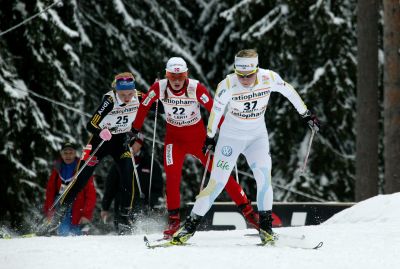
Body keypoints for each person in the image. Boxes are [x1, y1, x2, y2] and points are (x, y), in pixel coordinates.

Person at [171, 49, 320, 245]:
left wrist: (306, 114)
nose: (245, 80)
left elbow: (289, 91)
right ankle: (188, 229)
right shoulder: (227, 85)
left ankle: (266, 229)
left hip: (257, 137)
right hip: (230, 138)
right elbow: (216, 112)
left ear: (256, 70)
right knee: (216, 184)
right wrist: (209, 137)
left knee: (264, 178)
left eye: (249, 75)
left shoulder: (269, 78)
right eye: (241, 75)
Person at [131, 57, 260, 239]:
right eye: (172, 76)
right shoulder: (159, 87)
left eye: (180, 76)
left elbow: (213, 109)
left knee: (221, 173)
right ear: (167, 75)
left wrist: (227, 133)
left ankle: (250, 214)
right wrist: (134, 130)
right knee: (172, 177)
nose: (176, 81)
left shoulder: (195, 87)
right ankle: (174, 220)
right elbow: (144, 106)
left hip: (198, 139)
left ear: (186, 75)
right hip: (173, 141)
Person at [40, 72, 144, 235]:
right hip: (100, 142)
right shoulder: (110, 100)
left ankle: (124, 218)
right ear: (116, 91)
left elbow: (155, 104)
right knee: (81, 179)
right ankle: (58, 216)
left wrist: (157, 92)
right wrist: (101, 131)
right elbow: (91, 124)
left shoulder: (138, 96)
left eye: (130, 94)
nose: (127, 98)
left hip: (121, 143)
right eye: (123, 94)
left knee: (127, 174)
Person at [101, 143, 163, 233]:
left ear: (140, 144)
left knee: (141, 235)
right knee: (123, 238)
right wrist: (105, 207)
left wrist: (153, 204)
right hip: (121, 208)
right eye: (129, 144)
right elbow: (110, 187)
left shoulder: (151, 163)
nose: (130, 146)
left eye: (134, 143)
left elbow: (157, 188)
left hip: (144, 209)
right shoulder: (119, 162)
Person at [43, 142, 96, 236]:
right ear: (61, 154)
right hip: (61, 212)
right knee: (63, 239)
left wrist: (86, 215)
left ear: (75, 153)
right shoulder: (57, 170)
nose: (68, 156)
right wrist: (49, 212)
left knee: (79, 243)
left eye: (71, 152)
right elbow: (50, 193)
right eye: (65, 153)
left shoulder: (83, 169)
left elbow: (91, 194)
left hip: (78, 213)